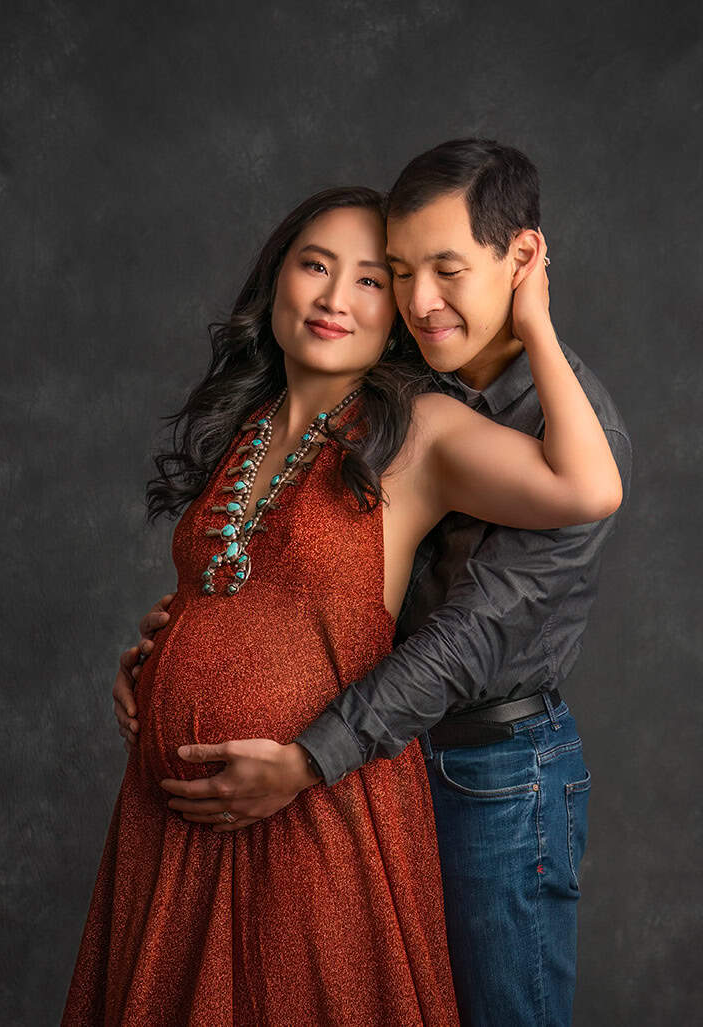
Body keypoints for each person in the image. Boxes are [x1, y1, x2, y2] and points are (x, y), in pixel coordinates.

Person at [66, 179, 621, 1025]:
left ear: (395, 312)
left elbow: (587, 484)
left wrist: (534, 319)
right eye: (314, 266)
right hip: (174, 831)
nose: (334, 298)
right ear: (274, 279)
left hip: (314, 811)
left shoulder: (419, 428)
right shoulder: (246, 425)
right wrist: (164, 651)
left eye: (369, 280)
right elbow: (256, 592)